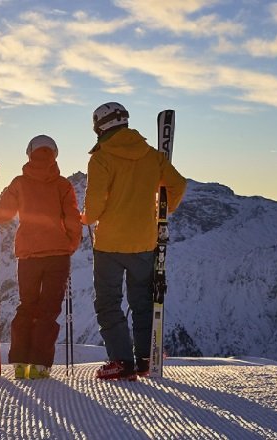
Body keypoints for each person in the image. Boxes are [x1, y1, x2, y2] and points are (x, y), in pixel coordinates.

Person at [81, 102, 187, 381]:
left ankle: (121, 361)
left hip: (109, 244)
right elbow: (178, 184)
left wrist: (85, 218)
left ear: (99, 126)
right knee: (142, 302)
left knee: (108, 303)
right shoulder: (152, 156)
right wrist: (162, 211)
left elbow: (94, 204)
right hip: (144, 241)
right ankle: (144, 358)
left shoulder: (101, 158)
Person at [0, 135, 82, 380]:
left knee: (27, 306)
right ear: (54, 154)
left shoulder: (20, 183)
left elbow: (2, 214)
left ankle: (20, 362)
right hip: (57, 256)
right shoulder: (63, 185)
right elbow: (72, 219)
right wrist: (69, 245)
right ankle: (39, 366)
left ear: (29, 153)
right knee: (48, 311)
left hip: (28, 256)